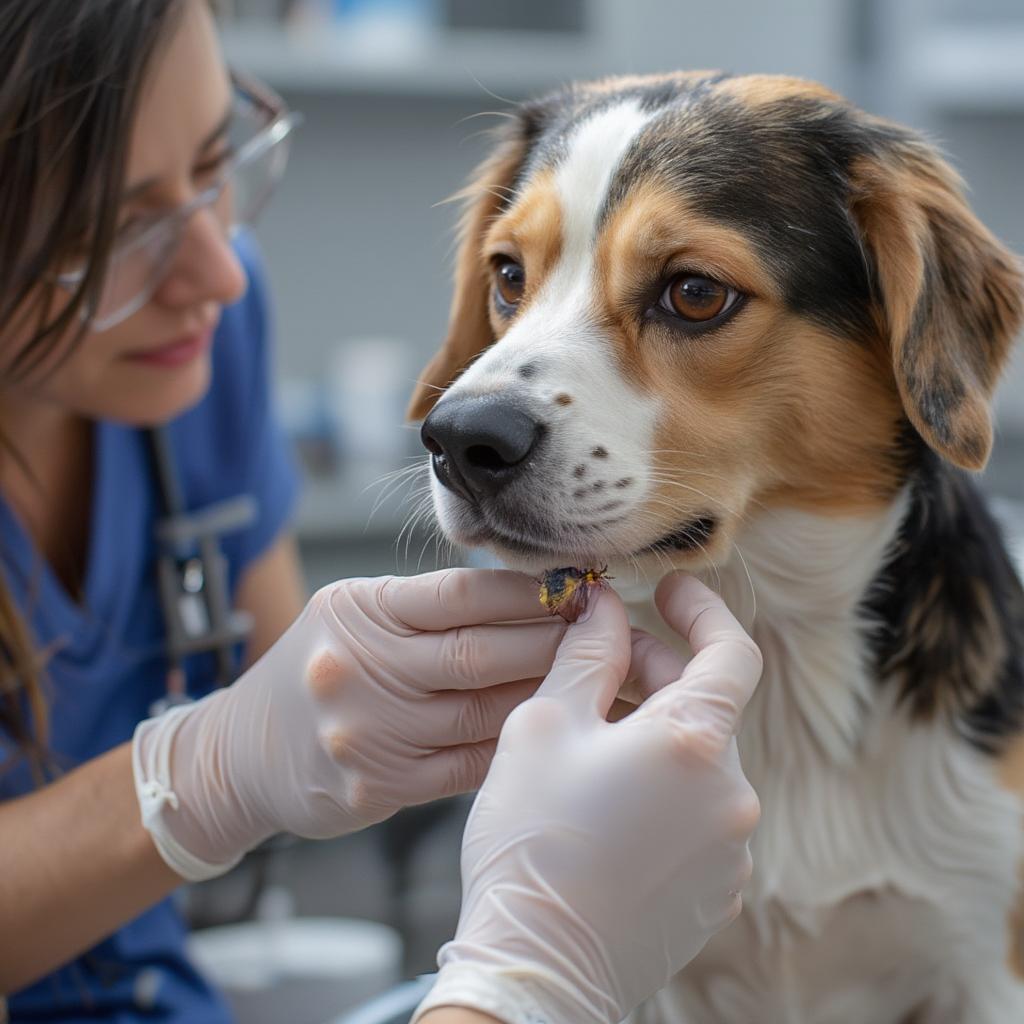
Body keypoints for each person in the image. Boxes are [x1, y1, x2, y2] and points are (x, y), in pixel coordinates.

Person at [0, 2, 762, 1023]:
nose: (218, 272)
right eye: (114, 230)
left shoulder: (196, 340)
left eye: (215, 162)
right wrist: (525, 972)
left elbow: (289, 685)